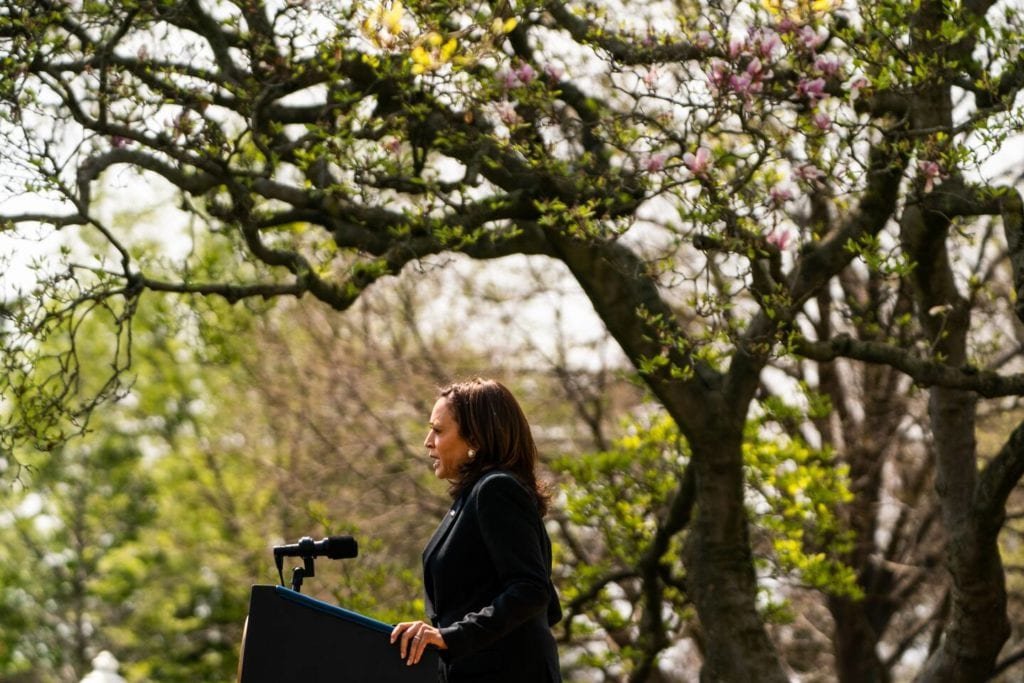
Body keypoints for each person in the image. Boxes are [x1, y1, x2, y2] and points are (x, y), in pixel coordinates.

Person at [390, 378, 562, 682]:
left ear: (476, 440)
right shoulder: (471, 498)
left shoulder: (496, 490)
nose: (428, 441)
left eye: (439, 430)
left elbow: (532, 590)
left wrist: (452, 637)